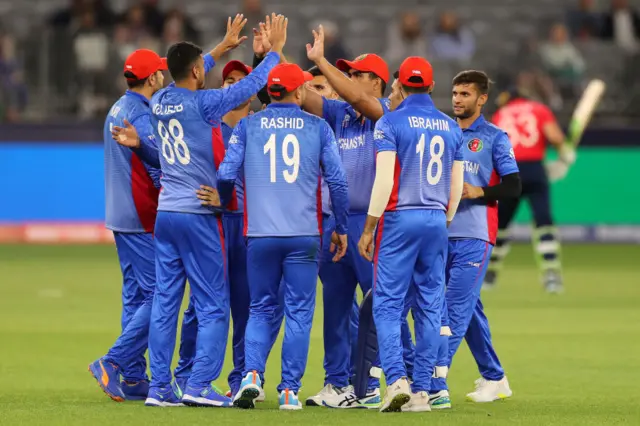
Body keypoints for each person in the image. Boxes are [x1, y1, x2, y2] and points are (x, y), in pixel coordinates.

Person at [144, 14, 285, 407]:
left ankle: (159, 388)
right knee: (212, 304)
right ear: (194, 70)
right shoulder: (206, 104)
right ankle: (199, 385)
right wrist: (273, 52)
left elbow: (189, 70)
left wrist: (219, 50)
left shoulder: (159, 101)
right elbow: (253, 86)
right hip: (199, 212)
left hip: (166, 214)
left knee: (166, 302)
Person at [217, 63, 349, 411]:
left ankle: (251, 376)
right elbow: (337, 181)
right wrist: (343, 227)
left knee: (260, 308)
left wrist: (226, 199)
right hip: (304, 234)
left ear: (270, 92)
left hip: (260, 233)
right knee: (300, 312)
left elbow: (226, 172)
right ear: (299, 92)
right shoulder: (319, 127)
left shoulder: (247, 125)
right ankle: (289, 390)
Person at [303, 25, 414, 409]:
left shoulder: (384, 115)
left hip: (371, 226)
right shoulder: (339, 115)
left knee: (385, 305)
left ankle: (408, 377)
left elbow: (357, 98)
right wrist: (276, 57)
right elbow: (300, 94)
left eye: (356, 75)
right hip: (335, 226)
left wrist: (320, 61)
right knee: (335, 307)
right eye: (347, 73)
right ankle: (339, 385)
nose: (348, 80)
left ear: (377, 84)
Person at [358, 56, 464, 413]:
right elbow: (457, 185)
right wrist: (443, 220)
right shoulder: (452, 127)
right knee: (431, 305)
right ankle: (422, 391)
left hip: (399, 219)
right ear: (432, 86)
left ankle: (396, 381)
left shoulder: (390, 122)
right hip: (436, 218)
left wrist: (369, 227)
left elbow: (385, 179)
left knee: (388, 306)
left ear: (400, 84)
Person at [182, 58, 285, 401]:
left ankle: (243, 377)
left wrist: (267, 54)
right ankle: (188, 374)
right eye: (228, 80)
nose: (233, 85)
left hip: (247, 228)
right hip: (213, 226)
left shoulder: (261, 131)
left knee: (246, 307)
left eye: (242, 79)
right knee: (201, 307)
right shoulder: (206, 128)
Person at [428, 70, 521, 408]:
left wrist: (480, 191)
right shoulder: (442, 132)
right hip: (438, 232)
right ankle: (494, 377)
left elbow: (513, 186)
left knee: (452, 309)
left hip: (475, 234)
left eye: (465, 94)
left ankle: (431, 381)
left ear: (482, 99)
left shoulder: (495, 137)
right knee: (468, 309)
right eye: (455, 93)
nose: (457, 99)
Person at [88, 48, 165, 403]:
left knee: (135, 296)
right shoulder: (141, 115)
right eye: (160, 73)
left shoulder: (119, 107)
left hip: (120, 215)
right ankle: (113, 361)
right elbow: (156, 166)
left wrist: (216, 52)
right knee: (160, 296)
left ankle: (133, 377)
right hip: (140, 214)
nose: (164, 76)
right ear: (151, 79)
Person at [488, 84, 575, 293]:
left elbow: (492, 149)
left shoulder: (500, 114)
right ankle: (552, 274)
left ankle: (488, 275)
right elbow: (555, 137)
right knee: (544, 222)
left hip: (508, 171)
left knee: (499, 226)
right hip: (535, 170)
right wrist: (564, 157)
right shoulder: (539, 109)